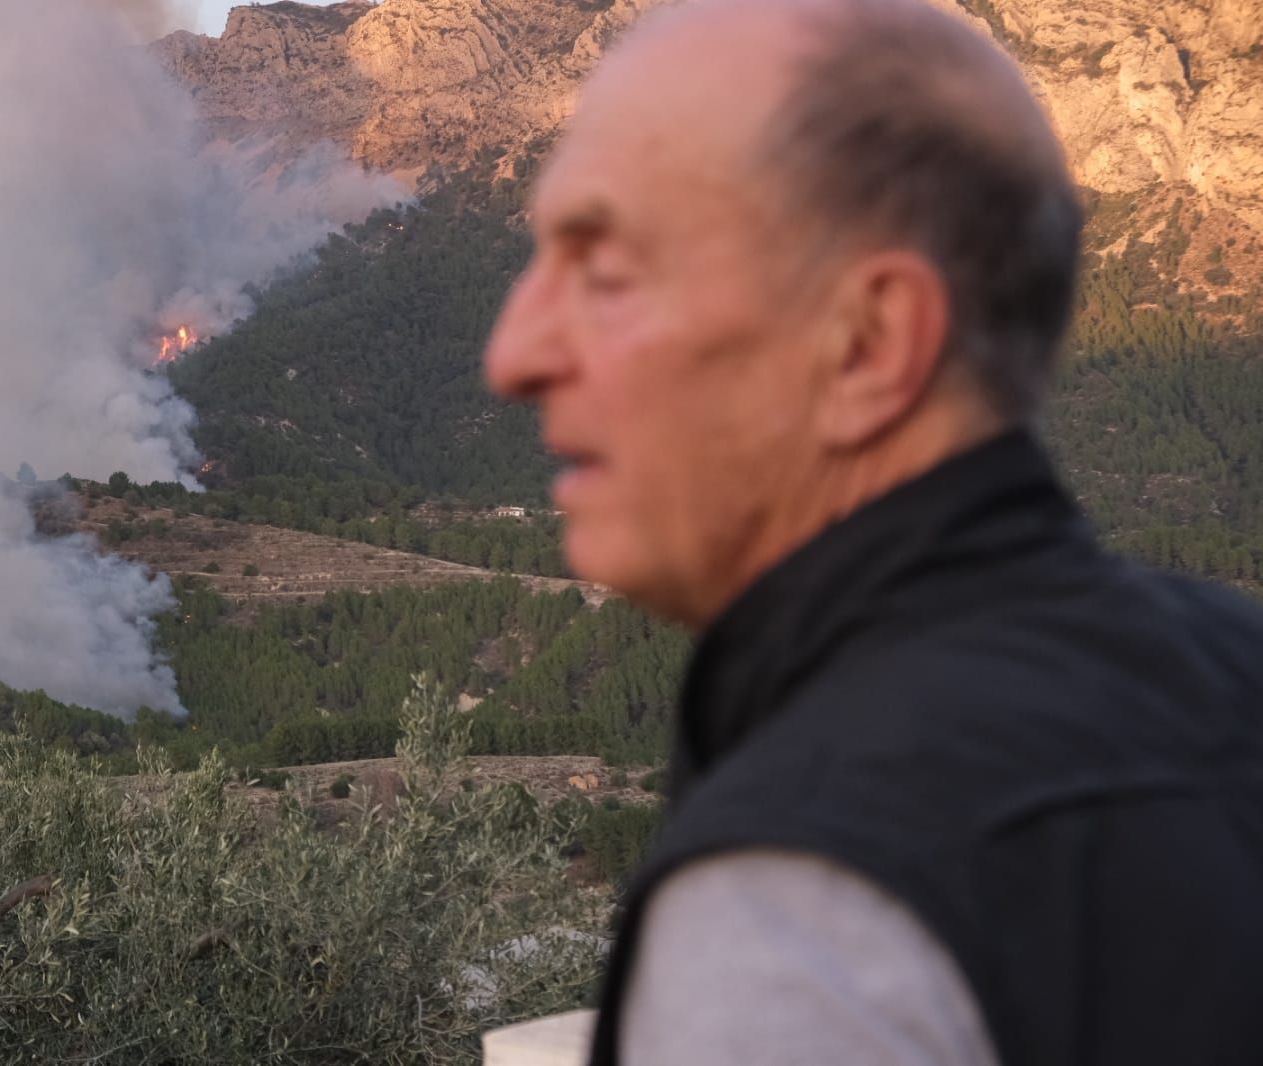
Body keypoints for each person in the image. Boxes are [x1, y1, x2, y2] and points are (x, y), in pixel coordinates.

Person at [482, 1, 1263, 1064]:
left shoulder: (801, 912)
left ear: (868, 342)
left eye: (606, 273)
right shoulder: (1231, 680)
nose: (513, 356)